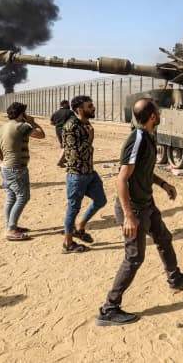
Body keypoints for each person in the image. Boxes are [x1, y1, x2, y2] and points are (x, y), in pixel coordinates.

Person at [96, 98, 183, 326]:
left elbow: (142, 170)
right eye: (158, 110)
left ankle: (175, 278)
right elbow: (122, 178)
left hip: (147, 205)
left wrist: (163, 184)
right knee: (134, 258)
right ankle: (109, 309)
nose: (161, 112)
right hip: (134, 209)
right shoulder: (138, 139)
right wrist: (129, 215)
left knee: (164, 238)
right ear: (152, 116)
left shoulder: (147, 136)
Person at [0, 102, 45, 241]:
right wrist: (33, 122)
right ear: (22, 114)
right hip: (17, 169)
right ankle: (11, 230)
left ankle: (10, 225)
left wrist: (6, 161)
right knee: (23, 197)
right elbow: (41, 135)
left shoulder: (1, 128)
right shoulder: (21, 126)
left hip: (5, 167)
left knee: (11, 197)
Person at [61, 95, 107, 253]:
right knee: (73, 209)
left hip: (89, 172)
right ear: (80, 109)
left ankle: (79, 228)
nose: (93, 108)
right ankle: (68, 244)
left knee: (101, 200)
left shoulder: (85, 123)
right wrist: (89, 139)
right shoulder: (71, 127)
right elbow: (73, 155)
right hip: (77, 175)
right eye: (90, 106)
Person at [50, 100, 74, 168]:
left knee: (63, 144)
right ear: (65, 104)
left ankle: (64, 159)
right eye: (68, 104)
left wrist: (58, 125)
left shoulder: (55, 113)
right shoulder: (69, 112)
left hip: (58, 130)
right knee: (66, 145)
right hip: (67, 130)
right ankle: (60, 161)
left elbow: (51, 123)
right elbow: (74, 121)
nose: (69, 105)